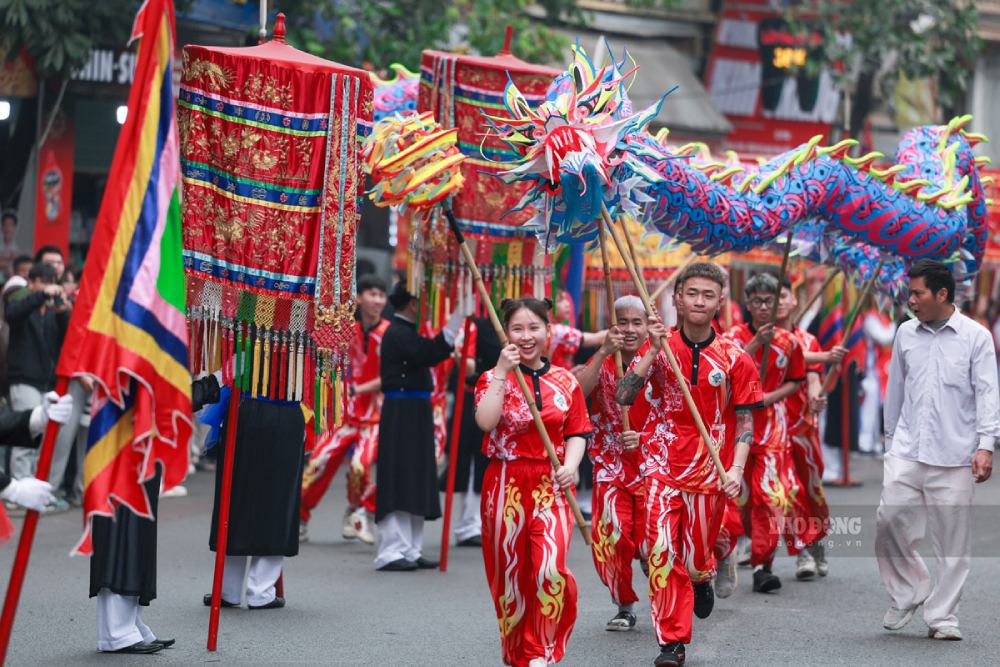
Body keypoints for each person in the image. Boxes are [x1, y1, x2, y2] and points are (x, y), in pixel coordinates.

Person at [617, 263, 761, 667]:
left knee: (695, 559)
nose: (699, 301)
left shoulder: (734, 358)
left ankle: (703, 575)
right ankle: (672, 642)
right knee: (661, 550)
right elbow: (624, 395)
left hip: (710, 468)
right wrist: (653, 352)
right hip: (661, 463)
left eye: (708, 295)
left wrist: (735, 469)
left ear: (719, 303)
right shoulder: (657, 346)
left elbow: (746, 418)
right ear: (677, 298)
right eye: (691, 293)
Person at [876, 259, 999, 641]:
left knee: (952, 544)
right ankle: (909, 590)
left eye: (918, 293)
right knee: (887, 521)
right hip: (908, 449)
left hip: (956, 454)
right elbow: (895, 389)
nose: (910, 300)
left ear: (942, 294)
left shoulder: (976, 337)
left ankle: (943, 617)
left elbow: (987, 393)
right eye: (910, 292)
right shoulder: (905, 334)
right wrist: (889, 442)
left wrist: (985, 445)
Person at [475, 297, 591, 667]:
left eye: (534, 328)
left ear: (548, 332)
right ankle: (516, 648)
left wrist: (571, 466)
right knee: (509, 574)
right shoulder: (493, 377)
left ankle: (540, 649)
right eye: (517, 329)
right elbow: (485, 422)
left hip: (551, 484)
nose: (526, 337)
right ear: (505, 334)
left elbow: (577, 431)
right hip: (505, 482)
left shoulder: (565, 381)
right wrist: (500, 372)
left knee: (548, 568)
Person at [199, 353, 307, 609]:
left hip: (244, 412)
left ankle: (228, 588)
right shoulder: (307, 326)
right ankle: (261, 590)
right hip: (283, 413)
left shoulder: (245, 322)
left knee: (237, 499)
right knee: (277, 502)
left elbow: (231, 368)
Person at [374, 281, 464, 571]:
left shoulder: (404, 331)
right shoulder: (397, 332)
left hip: (415, 410)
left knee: (415, 476)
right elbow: (430, 353)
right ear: (412, 303)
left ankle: (410, 548)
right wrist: (457, 319)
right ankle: (391, 550)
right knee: (400, 476)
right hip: (401, 410)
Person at [573, 295, 650, 632]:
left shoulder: (660, 358)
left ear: (648, 325)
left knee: (652, 543)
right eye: (623, 322)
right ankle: (625, 605)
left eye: (637, 322)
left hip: (654, 463)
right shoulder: (602, 358)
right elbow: (575, 395)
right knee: (611, 536)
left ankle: (668, 602)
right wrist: (604, 351)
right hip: (610, 463)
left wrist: (644, 437)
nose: (630, 329)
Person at [726, 272, 805, 593]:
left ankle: (763, 564)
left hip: (772, 428)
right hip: (736, 425)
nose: (762, 307)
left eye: (768, 302)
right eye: (756, 301)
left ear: (778, 305)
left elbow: (796, 380)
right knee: (736, 498)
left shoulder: (790, 342)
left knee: (769, 496)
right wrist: (757, 342)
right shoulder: (732, 336)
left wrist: (768, 397)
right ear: (747, 304)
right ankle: (723, 556)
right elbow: (726, 367)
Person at [300, 274, 389, 544]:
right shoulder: (344, 329)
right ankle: (300, 517)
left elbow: (391, 374)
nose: (377, 300)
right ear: (359, 298)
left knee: (361, 466)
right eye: (372, 294)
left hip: (373, 416)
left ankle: (357, 511)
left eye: (381, 295)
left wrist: (359, 389)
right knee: (317, 462)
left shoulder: (388, 333)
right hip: (340, 415)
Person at [776, 278, 845, 579]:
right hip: (771, 430)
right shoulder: (758, 341)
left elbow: (814, 377)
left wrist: (816, 398)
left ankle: (816, 541)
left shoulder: (808, 341)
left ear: (794, 301)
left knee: (811, 490)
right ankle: (801, 551)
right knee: (786, 490)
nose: (775, 303)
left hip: (802, 426)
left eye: (782, 297)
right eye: (767, 299)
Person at [4, 263, 70, 485]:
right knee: (25, 432)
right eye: (42, 281)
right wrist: (40, 295)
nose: (48, 287)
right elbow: (12, 314)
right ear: (31, 283)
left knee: (40, 437)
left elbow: (67, 340)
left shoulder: (51, 312)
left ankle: (32, 485)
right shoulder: (22, 302)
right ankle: (20, 487)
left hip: (46, 382)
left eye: (51, 282)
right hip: (23, 379)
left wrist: (63, 313)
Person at [548, 287, 606, 370]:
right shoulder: (557, 331)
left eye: (566, 299)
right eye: (560, 300)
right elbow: (599, 338)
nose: (567, 304)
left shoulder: (556, 328)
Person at [0, 211, 24, 280]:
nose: (7, 228)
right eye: (5, 225)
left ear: (15, 228)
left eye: (10, 225)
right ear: (1, 227)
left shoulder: (18, 251)